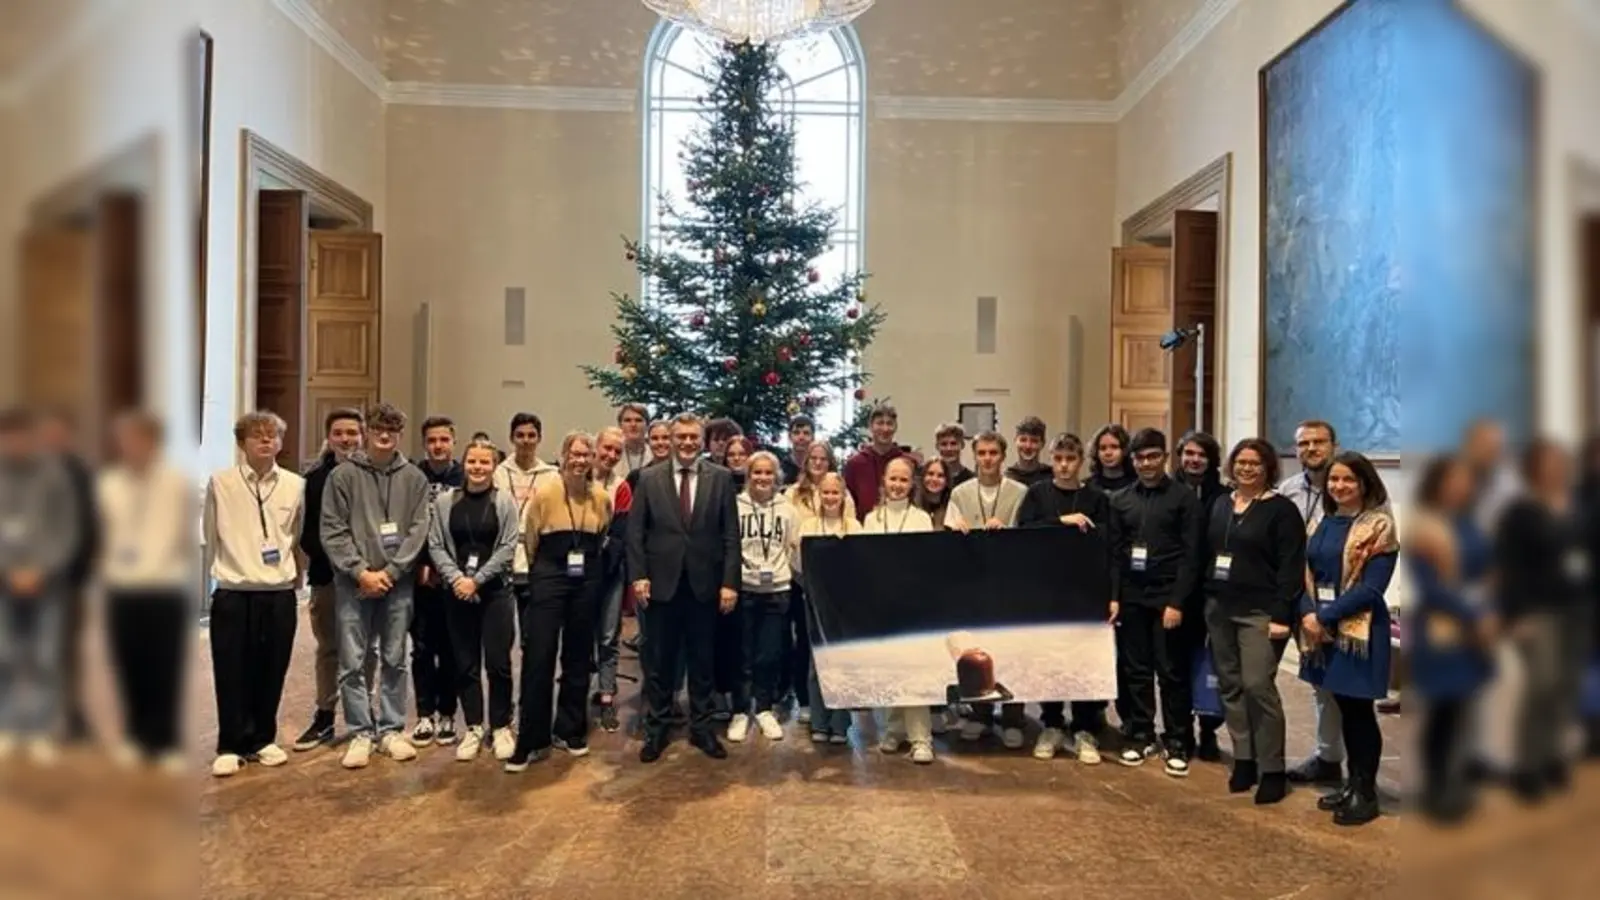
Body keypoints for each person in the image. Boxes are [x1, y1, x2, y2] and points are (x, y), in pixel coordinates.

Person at [321, 402, 433, 769]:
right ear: (367, 431)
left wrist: (393, 571)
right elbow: (333, 529)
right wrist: (360, 572)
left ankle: (390, 729)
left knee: (395, 657)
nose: (385, 436)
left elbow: (419, 528)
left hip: (397, 583)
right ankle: (360, 733)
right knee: (353, 659)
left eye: (392, 430)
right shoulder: (342, 476)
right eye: (378, 429)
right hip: (353, 582)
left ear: (400, 434)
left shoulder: (414, 478)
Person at [627, 414, 742, 763]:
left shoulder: (720, 479)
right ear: (671, 439)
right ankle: (658, 728)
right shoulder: (648, 479)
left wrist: (729, 582)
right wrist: (639, 576)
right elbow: (636, 533)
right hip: (661, 584)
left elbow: (730, 536)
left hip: (704, 585)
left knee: (702, 660)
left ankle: (703, 729)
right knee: (660, 661)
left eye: (694, 437)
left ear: (703, 440)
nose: (688, 443)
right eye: (682, 437)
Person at [202, 411, 304, 777]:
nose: (266, 441)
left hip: (277, 592)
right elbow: (211, 535)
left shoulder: (295, 485)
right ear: (241, 442)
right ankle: (230, 742)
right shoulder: (221, 482)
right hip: (233, 590)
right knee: (230, 668)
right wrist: (223, 574)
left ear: (280, 442)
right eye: (257, 435)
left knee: (272, 666)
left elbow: (296, 534)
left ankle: (263, 737)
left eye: (273, 435)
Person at [1298, 451, 1398, 826]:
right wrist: (1307, 612)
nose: (1339, 486)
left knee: (1358, 713)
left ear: (1364, 484)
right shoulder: (1321, 521)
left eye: (1348, 480)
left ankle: (1365, 792)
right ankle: (1351, 783)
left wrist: (1323, 616)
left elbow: (1372, 589)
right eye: (1334, 480)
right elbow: (1302, 572)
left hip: (1357, 631)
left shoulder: (1379, 527)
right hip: (1320, 628)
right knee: (1340, 706)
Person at [1203, 438, 1305, 804]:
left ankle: (1272, 768)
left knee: (1257, 685)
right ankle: (1244, 759)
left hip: (1260, 612)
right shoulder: (1220, 503)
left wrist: (1282, 614)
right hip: (1218, 608)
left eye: (1255, 463)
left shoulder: (1281, 511)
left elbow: (1291, 567)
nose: (1247, 468)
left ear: (1268, 468)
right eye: (1241, 462)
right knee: (1229, 685)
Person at [507, 431, 613, 770]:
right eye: (575, 453)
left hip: (587, 576)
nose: (581, 460)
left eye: (587, 454)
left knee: (579, 654)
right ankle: (531, 738)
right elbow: (531, 539)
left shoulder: (600, 496)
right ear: (563, 455)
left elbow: (604, 534)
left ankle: (569, 729)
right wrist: (546, 572)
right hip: (550, 572)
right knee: (540, 654)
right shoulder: (546, 491)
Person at [97, 410, 193, 773]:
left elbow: (181, 534)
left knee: (164, 667)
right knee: (128, 665)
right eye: (126, 439)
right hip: (122, 587)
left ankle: (165, 740)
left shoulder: (175, 483)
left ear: (154, 442)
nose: (132, 446)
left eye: (140, 439)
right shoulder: (108, 484)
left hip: (164, 587)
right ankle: (136, 736)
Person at [1495, 439, 1587, 802]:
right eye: (1548, 462)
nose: (1556, 468)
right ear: (1533, 467)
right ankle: (1528, 767)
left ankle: (1553, 757)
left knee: (1566, 688)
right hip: (1537, 613)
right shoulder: (1519, 512)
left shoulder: (1575, 505)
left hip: (1576, 610)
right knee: (1541, 687)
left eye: (1559, 461)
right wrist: (1515, 614)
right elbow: (1508, 567)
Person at [1406, 454, 1496, 822]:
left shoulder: (1468, 523)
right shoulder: (1424, 527)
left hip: (1477, 628)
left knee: (1466, 707)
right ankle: (1436, 788)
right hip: (1441, 630)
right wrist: (1474, 615)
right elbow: (1430, 588)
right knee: (1441, 711)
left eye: (1465, 480)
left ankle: (1460, 777)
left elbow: (1490, 569)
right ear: (1437, 483)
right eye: (1453, 480)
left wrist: (1491, 610)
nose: (1461, 486)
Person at [1108, 428, 1202, 775]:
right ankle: (1140, 733)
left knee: (1172, 671)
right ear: (1132, 461)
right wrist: (1114, 597)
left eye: (1152, 456)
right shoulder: (1120, 500)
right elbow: (1115, 554)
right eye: (1140, 458)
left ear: (1164, 457)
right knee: (1136, 670)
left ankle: (1177, 739)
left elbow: (1192, 555)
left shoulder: (1184, 498)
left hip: (1168, 597)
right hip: (1132, 596)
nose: (1146, 463)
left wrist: (1177, 602)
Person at [1017, 433, 1115, 763]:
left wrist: (1111, 595)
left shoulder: (1097, 498)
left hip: (1085, 590)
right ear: (1051, 459)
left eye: (1070, 459)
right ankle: (1053, 723)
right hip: (1046, 590)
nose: (1064, 466)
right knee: (1050, 660)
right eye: (1058, 459)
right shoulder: (1037, 494)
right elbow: (1024, 533)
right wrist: (1061, 522)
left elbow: (1108, 547)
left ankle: (1085, 727)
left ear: (1081, 462)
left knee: (1084, 660)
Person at [425, 438, 520, 763]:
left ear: (494, 467)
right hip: (457, 593)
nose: (478, 468)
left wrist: (476, 580)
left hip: (495, 593)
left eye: (485, 463)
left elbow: (508, 547)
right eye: (472, 462)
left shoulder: (504, 501)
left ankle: (501, 725)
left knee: (498, 664)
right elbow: (436, 544)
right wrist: (458, 580)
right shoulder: (445, 502)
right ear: (464, 464)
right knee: (465, 664)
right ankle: (475, 726)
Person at [944, 431, 1028, 745]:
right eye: (981, 453)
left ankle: (1013, 719)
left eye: (993, 453)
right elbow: (949, 538)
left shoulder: (1020, 492)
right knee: (977, 649)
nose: (987, 459)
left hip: (1009, 584)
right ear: (974, 456)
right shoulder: (961, 493)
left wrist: (1008, 533)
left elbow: (1029, 536)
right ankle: (979, 714)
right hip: (973, 584)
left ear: (1003, 456)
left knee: (1010, 649)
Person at [293, 408, 369, 751]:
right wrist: (342, 562)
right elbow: (309, 534)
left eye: (352, 432)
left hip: (365, 579)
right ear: (329, 436)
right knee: (329, 649)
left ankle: (363, 719)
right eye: (339, 432)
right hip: (327, 577)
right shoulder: (313, 479)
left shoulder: (373, 474)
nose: (346, 439)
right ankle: (325, 716)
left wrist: (361, 567)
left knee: (367, 650)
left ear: (362, 436)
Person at [1279, 419, 1347, 787]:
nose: (1311, 449)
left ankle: (1343, 762)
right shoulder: (1288, 490)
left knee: (1341, 686)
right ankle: (1327, 756)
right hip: (1297, 597)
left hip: (1339, 600)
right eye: (1303, 443)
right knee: (1317, 680)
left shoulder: (1353, 488)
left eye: (1318, 442)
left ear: (1333, 445)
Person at [861, 456, 939, 763]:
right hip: (881, 605)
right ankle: (893, 729)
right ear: (884, 482)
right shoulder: (872, 519)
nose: (897, 485)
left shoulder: (921, 519)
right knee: (890, 670)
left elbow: (925, 565)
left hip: (912, 605)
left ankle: (921, 738)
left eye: (903, 480)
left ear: (912, 484)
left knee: (915, 672)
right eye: (892, 479)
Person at [727, 452, 800, 744]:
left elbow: (792, 546)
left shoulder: (787, 509)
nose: (762, 478)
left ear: (777, 477)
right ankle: (741, 710)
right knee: (742, 654)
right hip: (744, 588)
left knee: (769, 654)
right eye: (756, 472)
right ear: (748, 475)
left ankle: (765, 708)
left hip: (777, 590)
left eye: (768, 473)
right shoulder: (735, 506)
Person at [34, 408, 97, 745]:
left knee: (66, 651)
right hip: (21, 579)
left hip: (68, 580)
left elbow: (89, 527)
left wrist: (77, 571)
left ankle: (72, 716)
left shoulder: (80, 474)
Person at [792, 472, 860, 744]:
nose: (831, 497)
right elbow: (797, 565)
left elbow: (862, 565)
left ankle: (840, 724)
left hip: (845, 603)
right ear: (818, 495)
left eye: (836, 493)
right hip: (815, 601)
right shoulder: (807, 526)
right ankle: (820, 722)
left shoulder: (854, 527)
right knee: (816, 662)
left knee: (842, 662)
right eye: (826, 493)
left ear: (843, 496)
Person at [1174, 430, 1229, 761]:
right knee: (1179, 665)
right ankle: (1179, 730)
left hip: (1215, 592)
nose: (1194, 460)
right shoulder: (1170, 492)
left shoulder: (1224, 497)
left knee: (1213, 665)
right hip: (1180, 594)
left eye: (1201, 455)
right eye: (1188, 453)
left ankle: (1209, 730)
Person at [411, 415, 464, 747]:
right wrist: (420, 564)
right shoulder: (413, 477)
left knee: (451, 649)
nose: (438, 446)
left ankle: (447, 713)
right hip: (421, 577)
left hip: (455, 575)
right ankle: (424, 714)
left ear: (453, 442)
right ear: (424, 443)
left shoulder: (465, 476)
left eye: (444, 439)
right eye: (432, 440)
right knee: (421, 648)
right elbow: (408, 524)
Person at [493, 413, 559, 635]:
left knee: (533, 632)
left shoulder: (551, 476)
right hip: (504, 558)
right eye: (520, 435)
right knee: (502, 632)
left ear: (539, 438)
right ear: (512, 438)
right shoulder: (498, 473)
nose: (526, 440)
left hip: (536, 558)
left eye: (532, 435)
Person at [591, 426, 635, 733]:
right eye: (606, 448)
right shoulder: (575, 479)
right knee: (578, 638)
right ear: (596, 447)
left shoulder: (621, 487)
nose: (610, 455)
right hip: (575, 576)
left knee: (608, 637)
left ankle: (606, 695)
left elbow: (619, 536)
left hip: (609, 574)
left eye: (617, 452)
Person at [843, 403, 907, 520]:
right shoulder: (855, 464)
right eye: (880, 423)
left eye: (889, 424)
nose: (885, 429)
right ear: (871, 426)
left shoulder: (905, 463)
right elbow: (848, 503)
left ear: (896, 427)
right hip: (863, 530)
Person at [1089, 424, 1136, 493]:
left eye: (1114, 447)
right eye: (1103, 448)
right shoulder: (1087, 487)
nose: (1108, 453)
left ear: (1125, 450)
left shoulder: (1138, 486)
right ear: (1096, 452)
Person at [1005, 416, 1051, 487]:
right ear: (1015, 441)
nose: (1028, 446)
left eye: (1034, 441)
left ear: (1042, 444)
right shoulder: (1007, 478)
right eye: (1023, 440)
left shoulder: (1051, 477)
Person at [913, 458, 953, 530]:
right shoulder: (913, 506)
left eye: (940, 475)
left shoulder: (952, 508)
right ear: (923, 477)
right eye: (930, 474)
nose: (934, 479)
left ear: (947, 480)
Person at [933, 422, 975, 490]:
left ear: (962, 445)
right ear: (937, 446)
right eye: (944, 444)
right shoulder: (932, 478)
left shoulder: (972, 479)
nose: (949, 449)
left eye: (953, 444)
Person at [616, 403, 651, 477]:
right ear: (620, 425)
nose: (633, 424)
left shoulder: (654, 455)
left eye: (638, 420)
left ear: (647, 425)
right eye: (627, 420)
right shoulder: (612, 454)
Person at [779, 415, 815, 486]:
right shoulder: (780, 470)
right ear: (789, 437)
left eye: (806, 433)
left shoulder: (819, 468)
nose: (801, 437)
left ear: (813, 437)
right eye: (796, 433)